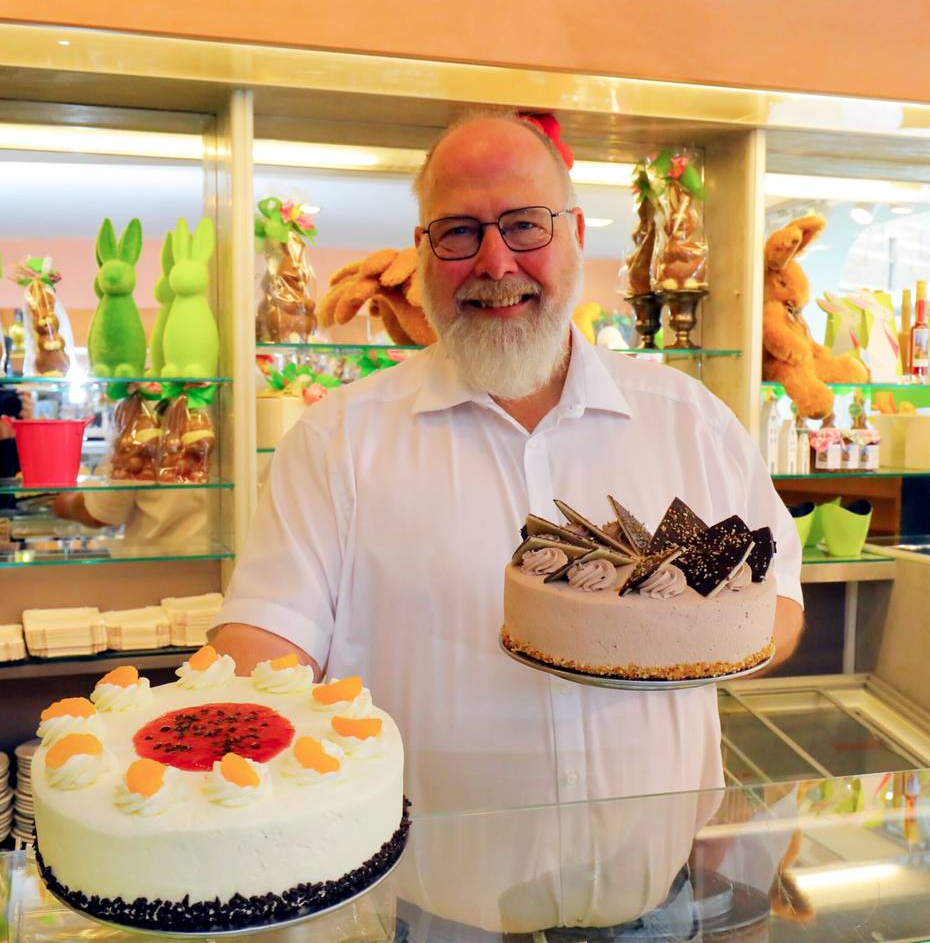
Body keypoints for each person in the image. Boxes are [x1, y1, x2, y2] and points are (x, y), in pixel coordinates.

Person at [212, 111, 804, 813]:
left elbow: (780, 600)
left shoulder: (692, 419)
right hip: (430, 899)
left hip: (660, 880)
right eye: (460, 230)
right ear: (424, 251)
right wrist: (202, 725)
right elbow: (268, 633)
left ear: (576, 235)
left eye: (526, 224)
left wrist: (669, 638)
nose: (496, 263)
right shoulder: (335, 440)